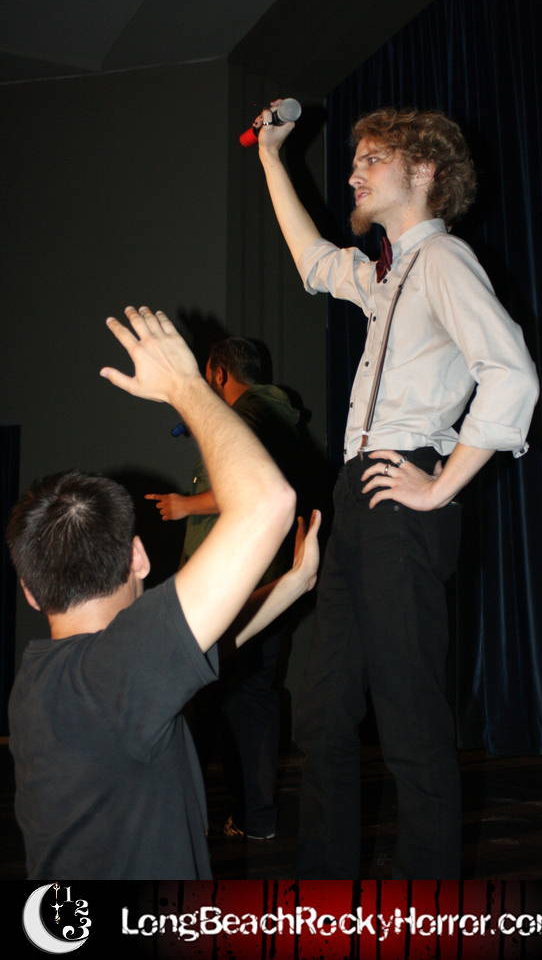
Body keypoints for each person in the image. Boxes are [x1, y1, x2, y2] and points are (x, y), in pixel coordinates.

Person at [253, 103, 539, 878]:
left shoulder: (442, 259)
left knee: (410, 722)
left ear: (425, 171)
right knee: (323, 716)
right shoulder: (388, 275)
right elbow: (315, 261)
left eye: (372, 159)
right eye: (355, 160)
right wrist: (272, 157)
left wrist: (441, 483)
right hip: (358, 495)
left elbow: (511, 374)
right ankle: (326, 900)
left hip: (400, 494)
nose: (354, 172)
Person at [6, 306, 320, 879]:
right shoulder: (121, 669)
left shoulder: (40, 681)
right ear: (139, 558)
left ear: (30, 591)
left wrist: (291, 585)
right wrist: (185, 386)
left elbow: (201, 645)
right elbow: (269, 501)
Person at [145, 336, 307, 841]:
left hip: (237, 584)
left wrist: (185, 505)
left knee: (213, 698)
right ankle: (254, 817)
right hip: (265, 579)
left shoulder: (248, 415)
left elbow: (255, 487)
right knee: (248, 699)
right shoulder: (275, 415)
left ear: (218, 374)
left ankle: (196, 821)